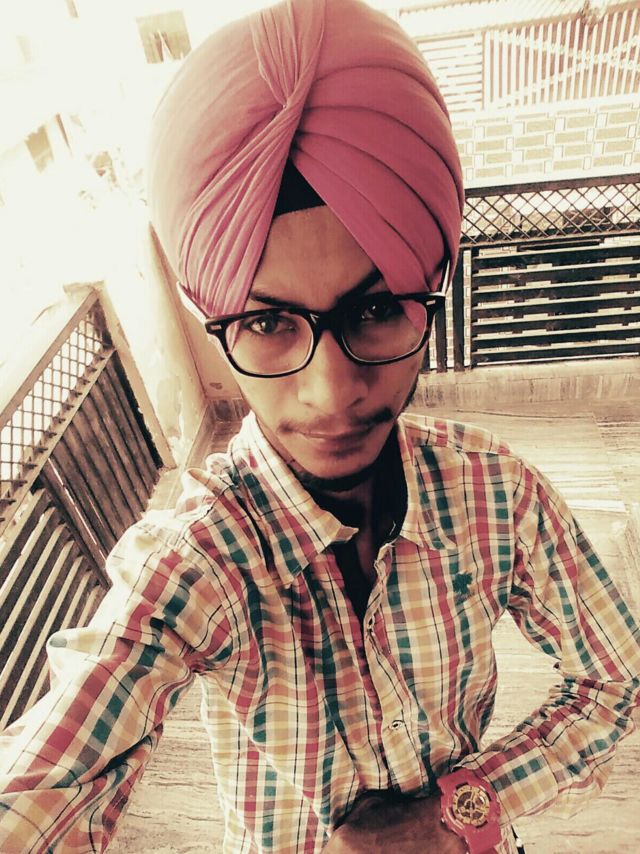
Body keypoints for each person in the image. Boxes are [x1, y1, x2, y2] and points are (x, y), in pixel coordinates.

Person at [1, 0, 639, 852]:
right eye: (268, 323)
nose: (331, 392)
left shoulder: (497, 494)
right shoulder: (198, 561)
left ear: (427, 297)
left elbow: (615, 678)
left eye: (374, 310)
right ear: (217, 327)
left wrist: (457, 812)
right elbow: (45, 783)